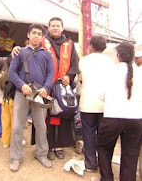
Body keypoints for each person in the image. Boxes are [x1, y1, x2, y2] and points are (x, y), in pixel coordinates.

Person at [8, 24, 55, 172]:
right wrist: (22, 85)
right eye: (33, 33)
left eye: (39, 34)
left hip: (39, 94)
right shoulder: (19, 52)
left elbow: (50, 74)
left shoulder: (47, 55)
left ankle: (41, 154)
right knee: (17, 126)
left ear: (42, 37)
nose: (36, 36)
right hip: (22, 93)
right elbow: (12, 73)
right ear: (28, 35)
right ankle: (15, 157)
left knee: (41, 125)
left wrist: (46, 88)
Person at [96, 41, 142, 181]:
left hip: (112, 118)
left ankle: (107, 178)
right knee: (130, 154)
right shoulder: (140, 73)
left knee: (104, 148)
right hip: (136, 119)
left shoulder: (110, 71)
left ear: (118, 55)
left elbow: (101, 95)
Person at [39, 17, 79, 161]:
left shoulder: (69, 44)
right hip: (45, 87)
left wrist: (69, 75)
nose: (55, 28)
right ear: (48, 28)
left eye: (58, 26)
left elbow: (74, 62)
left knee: (61, 115)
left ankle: (59, 146)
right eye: (52, 26)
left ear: (62, 28)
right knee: (46, 117)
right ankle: (47, 146)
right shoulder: (41, 42)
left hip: (62, 87)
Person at [78, 35, 114, 173]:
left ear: (91, 46)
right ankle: (105, 165)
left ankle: (91, 164)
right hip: (106, 104)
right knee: (104, 136)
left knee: (88, 133)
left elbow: (80, 78)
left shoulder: (84, 61)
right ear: (104, 47)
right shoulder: (111, 62)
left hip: (87, 103)